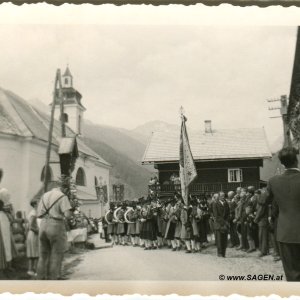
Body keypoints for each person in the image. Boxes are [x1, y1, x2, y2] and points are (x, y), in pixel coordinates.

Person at [265, 147, 300, 281]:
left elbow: (264, 201)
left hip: (286, 233)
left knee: (292, 275)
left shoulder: (273, 181)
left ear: (282, 163)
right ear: (296, 160)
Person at [36, 177, 72, 280]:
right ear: (65, 189)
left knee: (43, 255)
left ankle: (40, 278)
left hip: (43, 224)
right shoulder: (62, 196)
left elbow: (39, 213)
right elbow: (67, 215)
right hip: (56, 225)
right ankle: (54, 279)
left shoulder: (44, 195)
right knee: (56, 254)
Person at [212, 191, 230, 257]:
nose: (223, 197)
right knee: (219, 239)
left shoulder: (226, 203)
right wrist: (224, 222)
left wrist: (227, 221)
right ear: (219, 197)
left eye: (224, 196)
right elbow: (216, 215)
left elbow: (228, 213)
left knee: (225, 239)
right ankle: (220, 253)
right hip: (219, 224)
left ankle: (223, 253)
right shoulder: (215, 204)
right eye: (221, 196)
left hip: (225, 223)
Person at [254, 190, 269, 257]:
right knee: (263, 236)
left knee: (262, 236)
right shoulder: (262, 202)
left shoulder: (262, 203)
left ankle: (263, 251)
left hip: (262, 220)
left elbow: (260, 212)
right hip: (263, 220)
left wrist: (256, 219)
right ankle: (265, 250)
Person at [26, 199, 39, 276]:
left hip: (32, 234)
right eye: (38, 203)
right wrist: (38, 231)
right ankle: (34, 270)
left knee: (33, 253)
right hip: (33, 234)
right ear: (34, 205)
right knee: (35, 253)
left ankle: (32, 270)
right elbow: (31, 226)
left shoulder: (34, 212)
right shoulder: (33, 213)